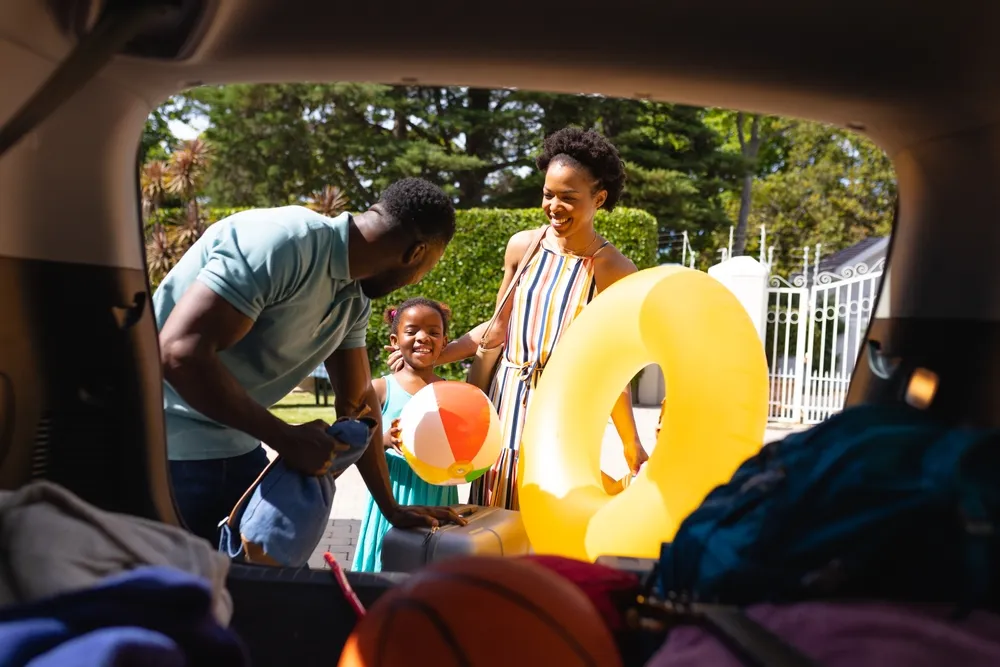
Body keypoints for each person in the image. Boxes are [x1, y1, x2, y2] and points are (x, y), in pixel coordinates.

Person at [154, 177, 464, 544]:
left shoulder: (354, 301)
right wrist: (284, 437)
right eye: (425, 269)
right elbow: (179, 352)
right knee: (169, 580)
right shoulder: (283, 241)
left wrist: (391, 508)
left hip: (239, 450)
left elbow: (358, 402)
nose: (414, 282)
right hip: (163, 449)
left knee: (250, 579)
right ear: (415, 253)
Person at [387, 128, 649, 510]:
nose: (554, 206)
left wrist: (631, 442)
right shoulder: (523, 247)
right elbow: (497, 328)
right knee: (493, 511)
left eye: (568, 197)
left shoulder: (616, 270)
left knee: (547, 510)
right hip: (503, 402)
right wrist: (435, 355)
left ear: (600, 198)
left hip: (562, 410)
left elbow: (613, 366)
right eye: (548, 194)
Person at [352, 298, 459, 572]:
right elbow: (354, 446)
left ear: (444, 343)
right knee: (387, 569)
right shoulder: (380, 390)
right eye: (412, 331)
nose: (423, 337)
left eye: (434, 332)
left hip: (437, 495)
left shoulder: (452, 393)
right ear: (395, 340)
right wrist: (385, 440)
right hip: (393, 497)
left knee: (431, 573)